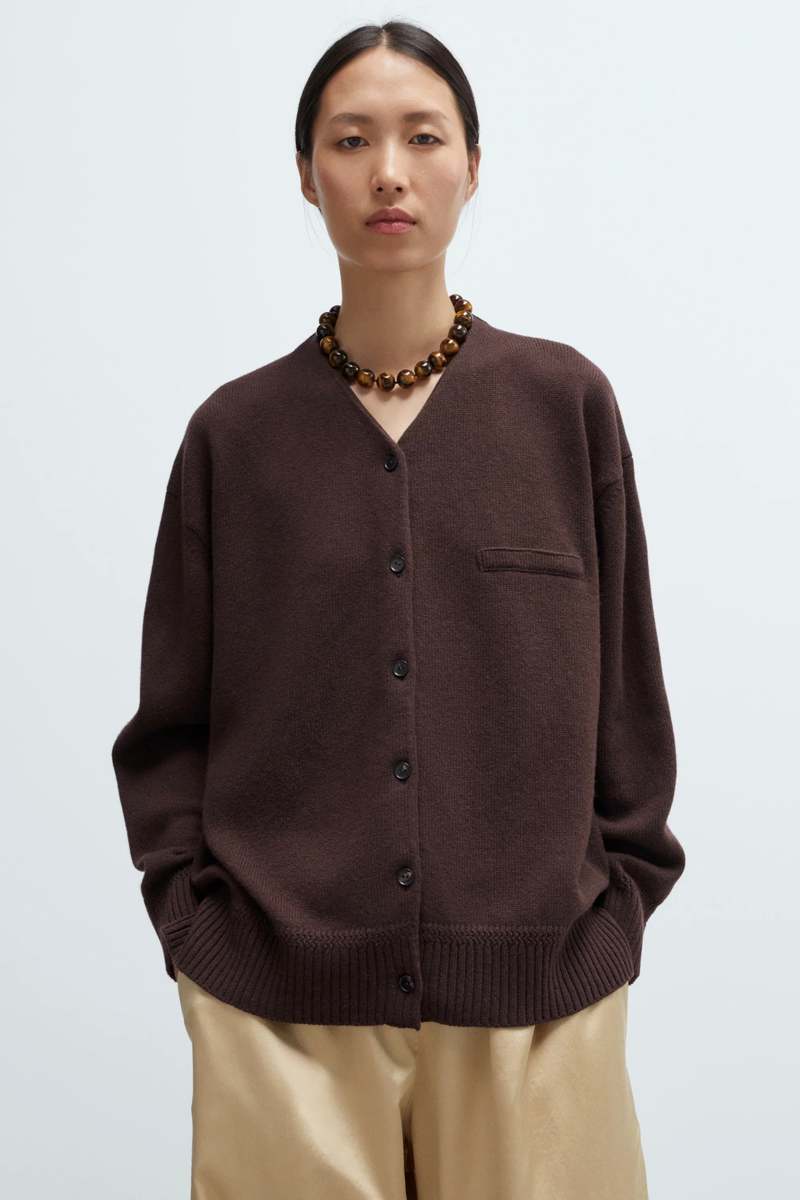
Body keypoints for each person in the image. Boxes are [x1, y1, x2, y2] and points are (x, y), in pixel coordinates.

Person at [111, 20, 686, 1200]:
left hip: (539, 1008)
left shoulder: (562, 407)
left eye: (422, 137)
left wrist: (612, 919)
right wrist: (198, 940)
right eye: (349, 140)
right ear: (303, 174)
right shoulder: (235, 438)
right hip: (279, 1016)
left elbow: (627, 699)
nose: (387, 172)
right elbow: (169, 726)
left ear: (472, 165)